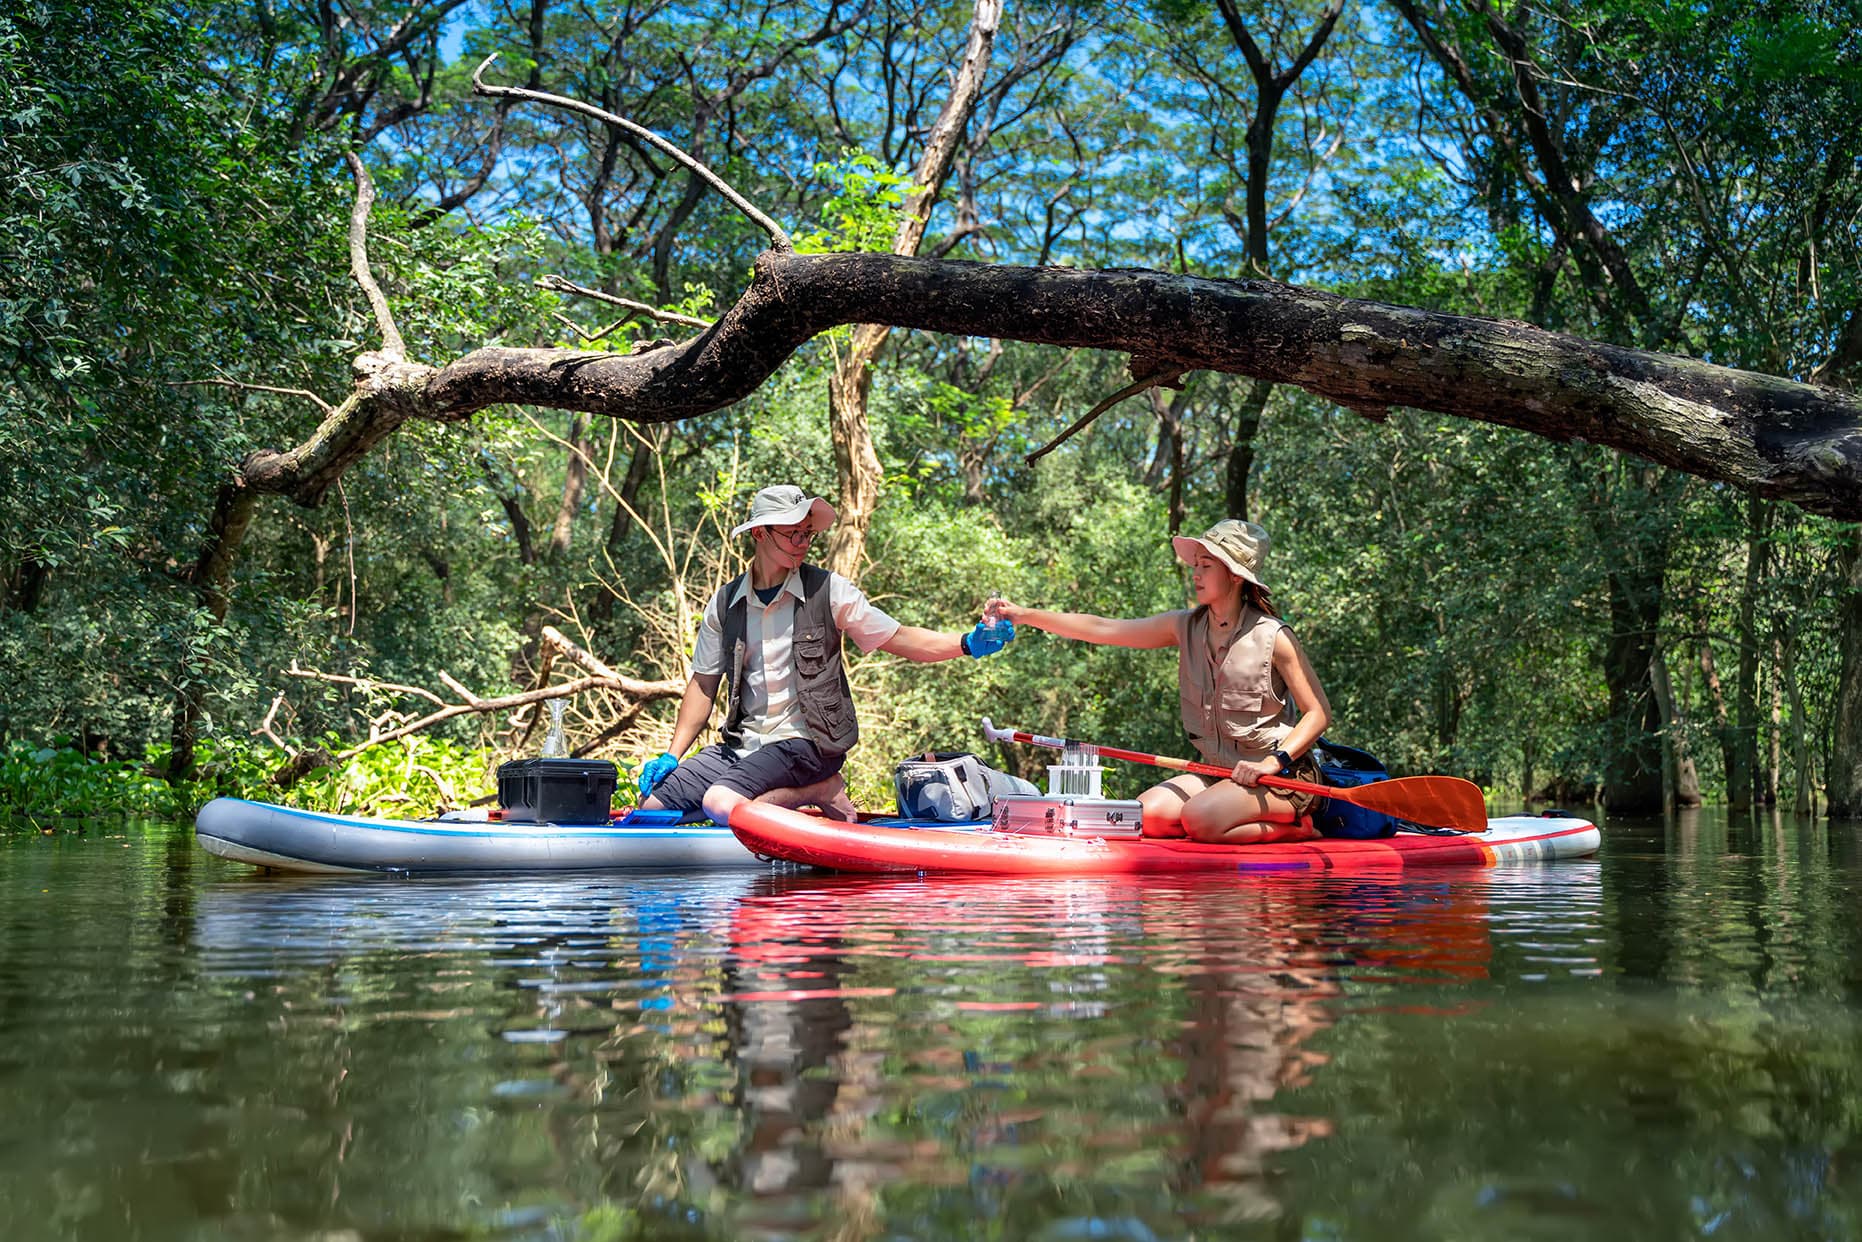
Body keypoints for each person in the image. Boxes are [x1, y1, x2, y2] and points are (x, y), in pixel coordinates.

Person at [638, 484, 1013, 826]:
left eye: (808, 533)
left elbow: (898, 637)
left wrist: (967, 642)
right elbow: (703, 685)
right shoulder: (724, 604)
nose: (802, 542)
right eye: (792, 533)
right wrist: (673, 755)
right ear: (759, 533)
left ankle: (818, 789)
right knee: (652, 808)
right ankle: (755, 809)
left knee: (720, 802)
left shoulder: (830, 591)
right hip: (743, 745)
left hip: (807, 744)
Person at [993, 519, 1330, 845]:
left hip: (1281, 778)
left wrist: (1273, 762)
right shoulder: (1182, 626)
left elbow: (1318, 713)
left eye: (1207, 565)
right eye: (1195, 565)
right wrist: (1024, 615)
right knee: (1147, 816)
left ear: (1235, 575)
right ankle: (1223, 815)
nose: (1196, 573)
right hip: (1217, 774)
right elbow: (1103, 628)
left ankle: (1298, 829)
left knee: (1201, 819)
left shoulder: (1275, 636)